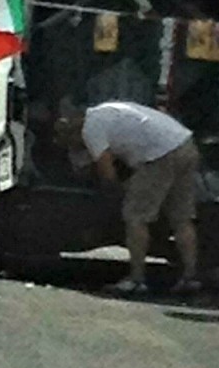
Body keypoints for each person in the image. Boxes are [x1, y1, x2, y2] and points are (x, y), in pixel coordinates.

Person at [55, 99, 201, 297]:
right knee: (182, 218)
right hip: (185, 143)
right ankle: (190, 278)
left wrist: (122, 192)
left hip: (159, 156)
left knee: (136, 217)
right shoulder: (106, 110)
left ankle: (136, 280)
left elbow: (108, 174)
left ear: (73, 131)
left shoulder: (91, 130)